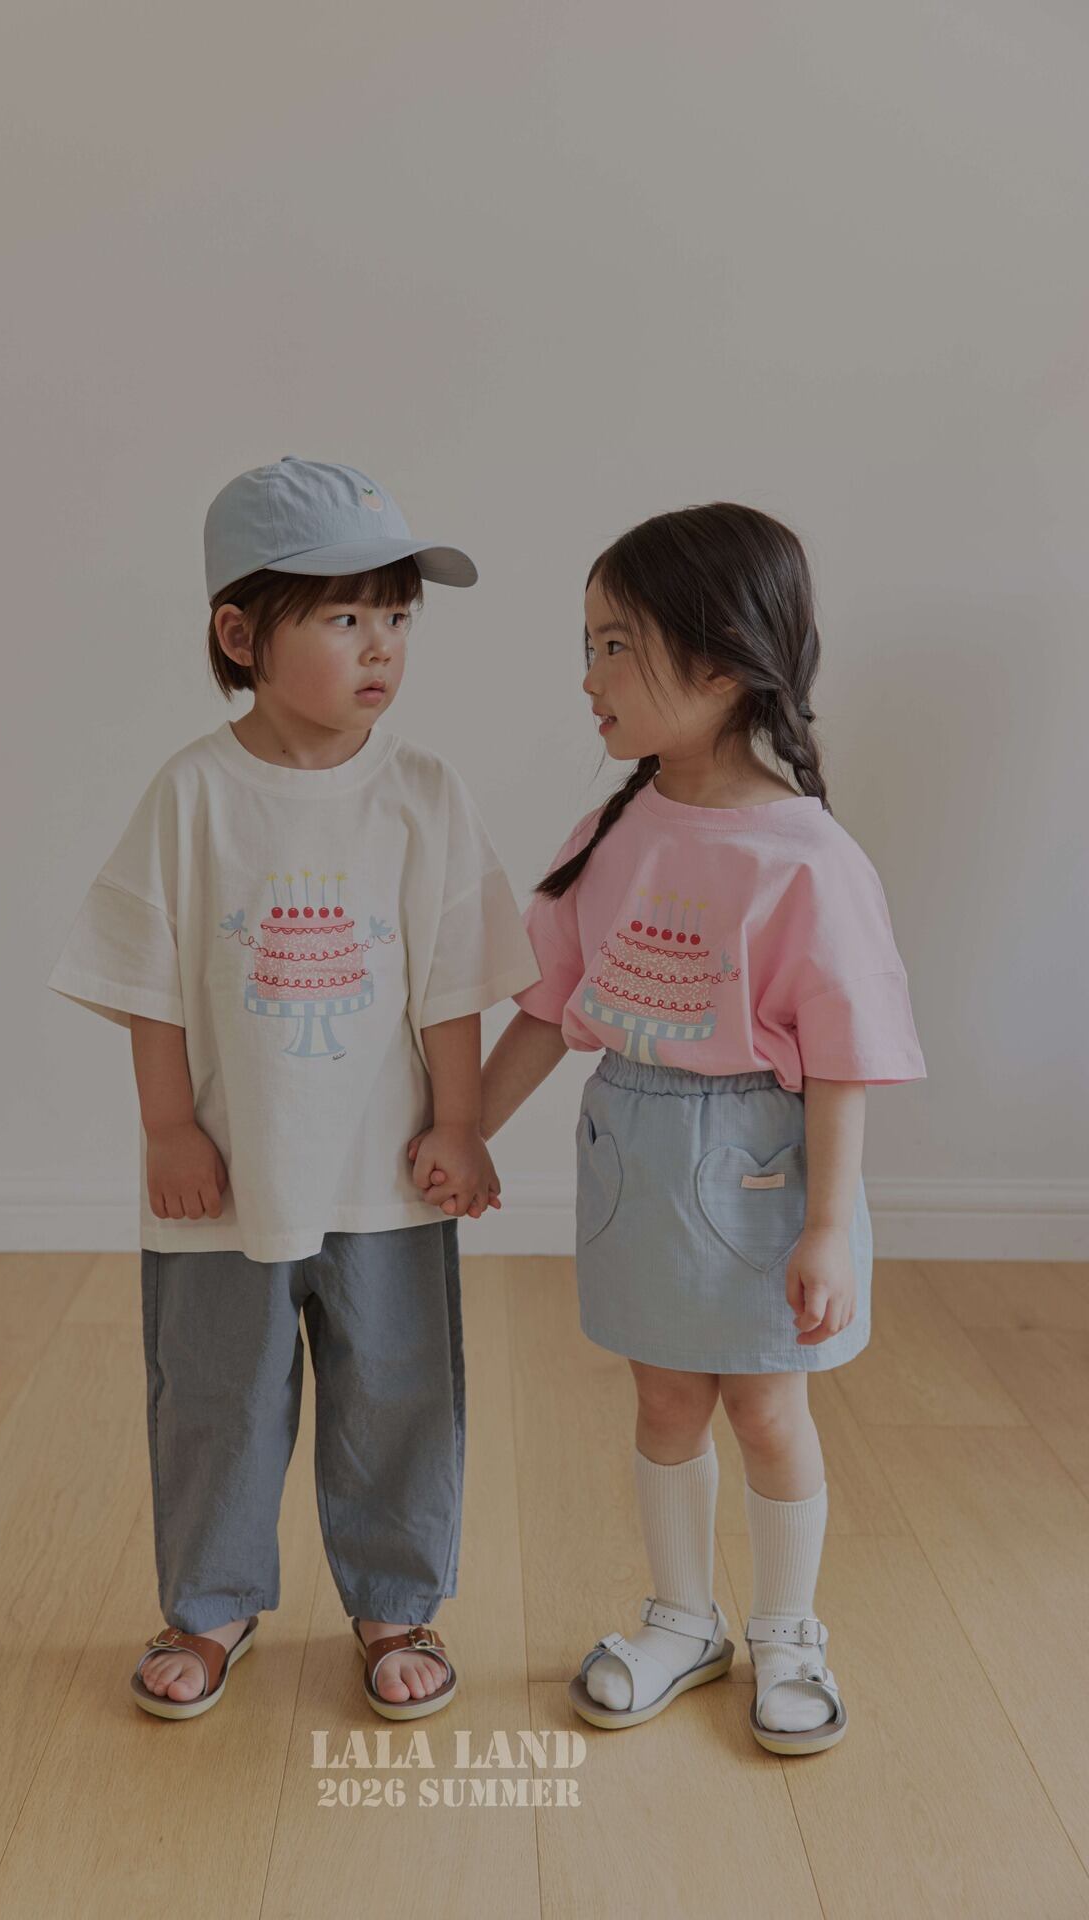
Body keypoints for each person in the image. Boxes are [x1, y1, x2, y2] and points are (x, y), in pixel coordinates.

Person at [415, 501, 926, 1755]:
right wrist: (467, 1129)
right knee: (662, 1399)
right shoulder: (613, 831)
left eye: (612, 647)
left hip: (759, 1168)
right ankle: (681, 1619)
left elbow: (840, 1065)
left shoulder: (804, 858)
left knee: (765, 1406)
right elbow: (550, 1005)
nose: (585, 677)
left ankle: (786, 1630)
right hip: (635, 1158)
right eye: (585, 645)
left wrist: (824, 1228)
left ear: (717, 666)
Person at [47, 456, 541, 1722]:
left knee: (397, 1389)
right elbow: (148, 979)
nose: (381, 647)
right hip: (228, 1176)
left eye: (397, 617)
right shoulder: (193, 795)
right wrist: (168, 1128)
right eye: (342, 616)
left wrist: (459, 1123)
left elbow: (451, 982)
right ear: (239, 637)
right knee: (214, 1394)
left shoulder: (421, 793)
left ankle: (394, 1602)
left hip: (384, 1176)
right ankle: (208, 1604)